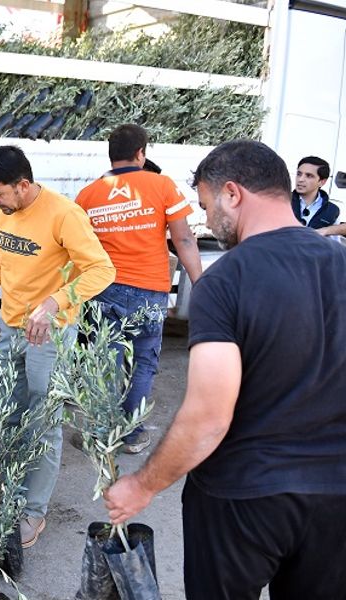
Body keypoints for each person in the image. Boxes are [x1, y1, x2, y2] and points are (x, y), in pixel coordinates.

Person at [104, 139, 346, 600]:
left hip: (244, 498)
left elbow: (208, 417)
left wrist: (142, 484)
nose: (206, 220)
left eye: (206, 205)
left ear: (232, 193)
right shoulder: (343, 264)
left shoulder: (227, 280)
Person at [0, 145, 115, 549]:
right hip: (12, 326)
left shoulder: (64, 214)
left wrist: (54, 302)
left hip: (52, 333)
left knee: (42, 422)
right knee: (8, 414)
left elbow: (102, 269)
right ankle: (8, 492)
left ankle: (34, 511)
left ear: (23, 185)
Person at [75, 124, 202, 453]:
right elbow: (183, 238)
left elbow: (78, 249)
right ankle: (132, 435)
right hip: (150, 290)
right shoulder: (161, 185)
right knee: (143, 362)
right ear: (141, 153)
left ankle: (102, 433)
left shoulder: (87, 195)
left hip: (104, 291)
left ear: (111, 155)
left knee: (106, 362)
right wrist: (200, 281)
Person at [291, 155, 340, 229]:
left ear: (322, 182)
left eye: (309, 176)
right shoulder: (282, 200)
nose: (300, 179)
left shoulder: (332, 211)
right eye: (299, 174)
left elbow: (333, 240)